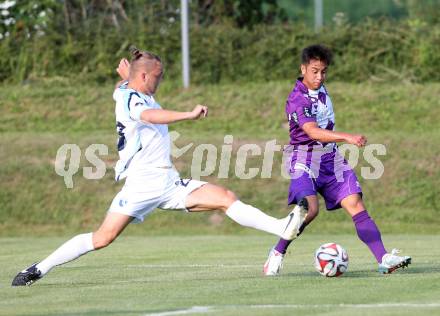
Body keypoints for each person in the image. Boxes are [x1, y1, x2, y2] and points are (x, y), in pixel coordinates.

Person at [12, 47, 305, 286]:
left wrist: (125, 78)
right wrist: (188, 115)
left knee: (225, 198)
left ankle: (281, 227)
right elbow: (150, 115)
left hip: (168, 183)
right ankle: (39, 268)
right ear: (143, 75)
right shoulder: (132, 100)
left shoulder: (128, 90)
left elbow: (123, 88)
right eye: (157, 76)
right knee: (102, 238)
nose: (160, 80)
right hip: (142, 185)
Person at [263, 44, 411, 276]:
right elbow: (312, 131)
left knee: (356, 205)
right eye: (314, 71)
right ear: (303, 69)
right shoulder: (297, 99)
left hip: (331, 158)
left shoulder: (320, 89)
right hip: (304, 158)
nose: (319, 77)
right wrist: (347, 137)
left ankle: (384, 258)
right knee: (309, 210)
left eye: (323, 71)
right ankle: (278, 251)